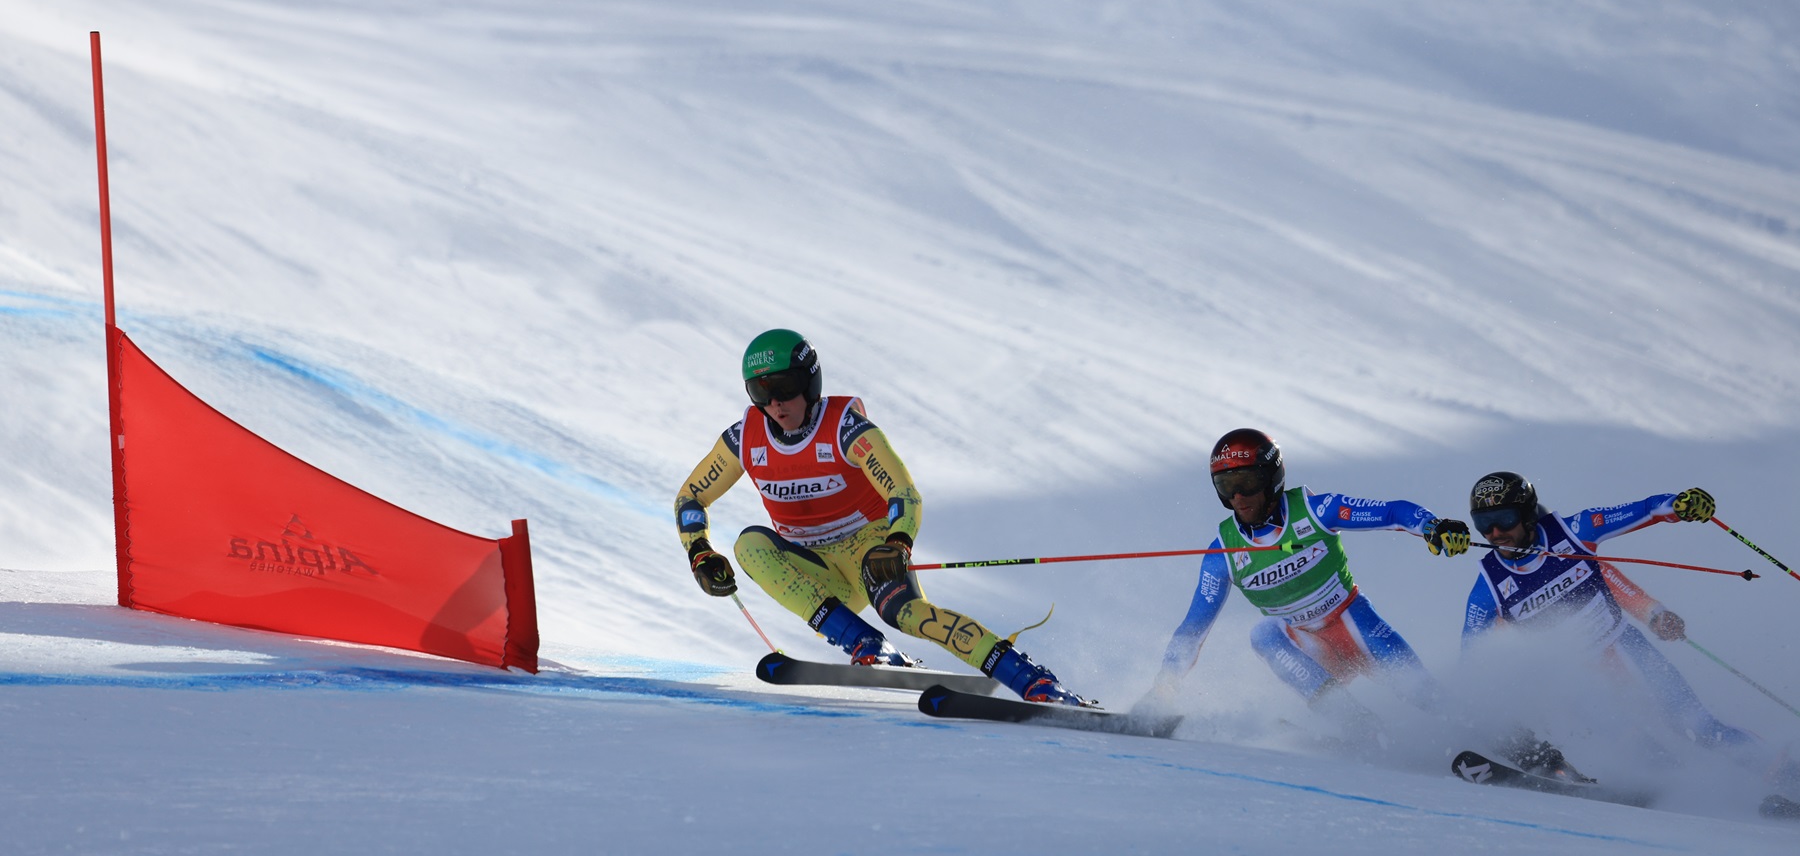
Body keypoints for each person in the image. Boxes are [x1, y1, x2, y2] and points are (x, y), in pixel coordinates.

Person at [675, 328, 1092, 705]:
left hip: (868, 549)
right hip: (815, 565)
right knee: (748, 544)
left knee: (906, 613)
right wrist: (700, 552)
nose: (776, 404)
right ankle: (868, 645)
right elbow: (691, 497)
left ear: (810, 381)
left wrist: (898, 543)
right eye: (760, 393)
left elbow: (903, 492)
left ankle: (1034, 681)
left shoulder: (844, 428)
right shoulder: (744, 438)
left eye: (784, 387)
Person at [1141, 428, 1472, 743]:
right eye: (1227, 486)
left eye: (1247, 482)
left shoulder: (1317, 511)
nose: (1239, 497)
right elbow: (1192, 629)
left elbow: (1390, 513)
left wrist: (1433, 525)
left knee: (1428, 696)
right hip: (1306, 647)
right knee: (1263, 634)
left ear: (1271, 478)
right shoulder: (1223, 554)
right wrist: (1164, 687)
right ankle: (1359, 726)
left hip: (1355, 625)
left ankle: (1501, 739)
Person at [1461, 471, 1760, 752]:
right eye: (1483, 523)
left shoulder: (1575, 532)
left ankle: (1781, 771)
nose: (1495, 532)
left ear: (1527, 515)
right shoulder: (1489, 586)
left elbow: (1647, 509)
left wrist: (1678, 505)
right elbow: (1473, 657)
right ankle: (1670, 793)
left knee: (1700, 728)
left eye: (1503, 518)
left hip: (1626, 649)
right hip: (1580, 687)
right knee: (1638, 750)